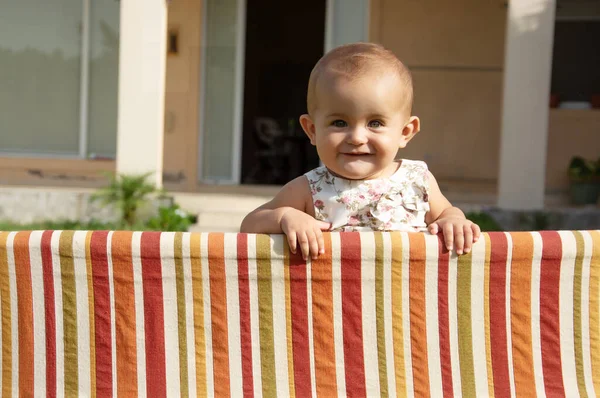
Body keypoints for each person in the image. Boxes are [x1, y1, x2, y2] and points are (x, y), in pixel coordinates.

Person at [240, 42, 480, 260]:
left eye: (375, 123)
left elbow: (445, 212)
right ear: (312, 130)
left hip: (404, 299)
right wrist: (283, 217)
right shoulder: (308, 189)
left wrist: (454, 220)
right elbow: (250, 224)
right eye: (339, 123)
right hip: (336, 300)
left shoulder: (417, 181)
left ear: (405, 132)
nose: (356, 138)